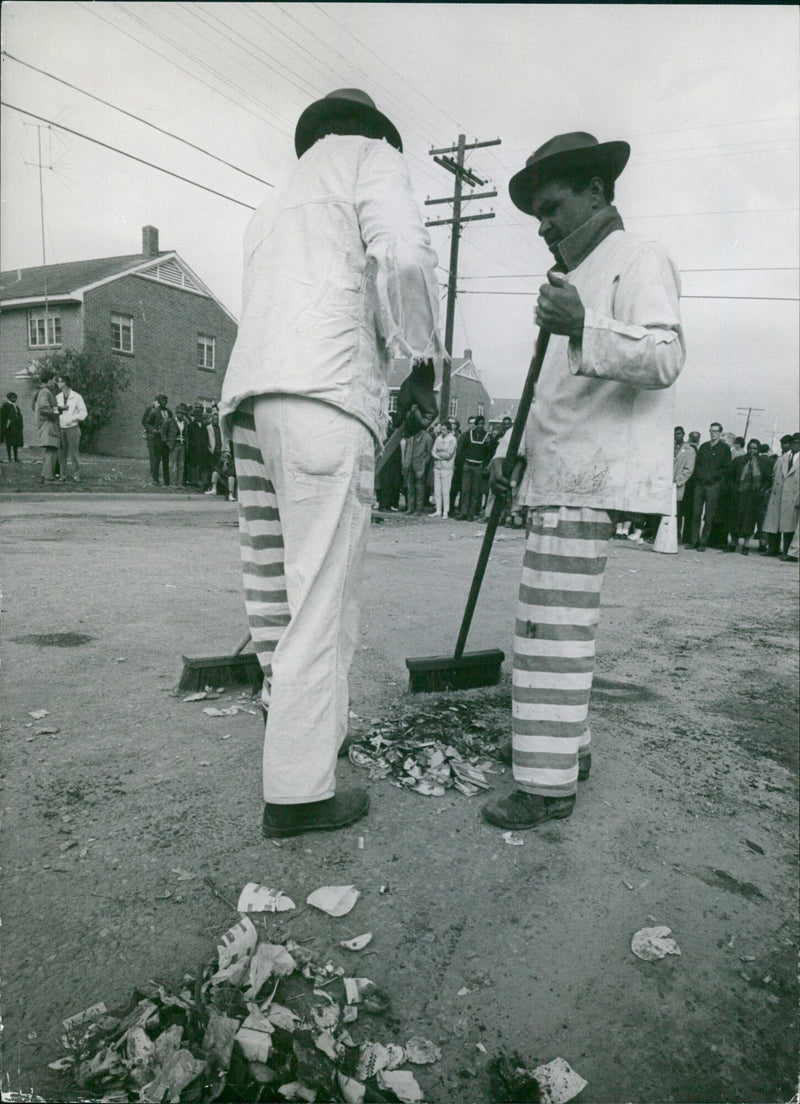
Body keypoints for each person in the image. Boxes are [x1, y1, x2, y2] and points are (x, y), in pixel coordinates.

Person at [219, 88, 441, 838]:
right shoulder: (371, 161)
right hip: (326, 391)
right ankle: (299, 792)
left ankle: (309, 734)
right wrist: (419, 351)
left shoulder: (273, 199)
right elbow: (405, 255)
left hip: (253, 400)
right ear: (373, 132)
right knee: (323, 592)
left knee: (278, 593)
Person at [482, 131, 685, 831]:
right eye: (537, 215)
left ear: (597, 191)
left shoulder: (638, 257)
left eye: (552, 207)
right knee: (550, 627)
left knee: (552, 634)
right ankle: (567, 750)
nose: (543, 226)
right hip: (558, 473)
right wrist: (519, 451)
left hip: (589, 479)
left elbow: (666, 355)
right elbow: (557, 392)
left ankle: (546, 786)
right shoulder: (579, 272)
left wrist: (585, 324)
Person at [725, 439, 772, 554]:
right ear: (747, 448)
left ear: (758, 449)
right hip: (739, 495)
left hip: (754, 497)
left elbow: (768, 479)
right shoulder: (738, 460)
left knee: (749, 520)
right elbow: (730, 477)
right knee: (735, 519)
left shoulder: (763, 463)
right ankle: (734, 542)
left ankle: (746, 544)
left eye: (755, 448)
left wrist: (762, 490)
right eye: (750, 448)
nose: (752, 450)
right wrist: (734, 489)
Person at [690, 422, 731, 550]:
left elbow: (726, 468)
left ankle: (704, 542)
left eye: (715, 431)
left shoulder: (724, 448)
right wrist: (700, 476)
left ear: (720, 433)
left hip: (713, 485)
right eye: (711, 431)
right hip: (700, 484)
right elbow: (697, 464)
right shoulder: (704, 447)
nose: (713, 433)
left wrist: (713, 476)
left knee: (709, 515)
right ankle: (694, 540)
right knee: (696, 512)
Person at [56, 375, 88, 483]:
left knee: (74, 453)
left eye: (60, 382)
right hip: (61, 428)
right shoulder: (58, 397)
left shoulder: (77, 396)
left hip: (72, 428)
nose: (58, 384)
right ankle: (62, 475)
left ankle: (76, 475)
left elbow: (83, 412)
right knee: (61, 453)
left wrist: (73, 419)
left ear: (65, 383)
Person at [458, 414, 489, 520]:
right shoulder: (468, 434)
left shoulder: (486, 436)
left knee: (475, 491)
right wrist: (462, 463)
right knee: (465, 489)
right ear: (475, 424)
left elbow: (489, 452)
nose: (480, 426)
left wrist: (484, 464)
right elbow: (462, 449)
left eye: (482, 424)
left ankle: (471, 513)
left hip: (478, 466)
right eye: (479, 423)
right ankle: (463, 512)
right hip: (468, 465)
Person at [34, 370, 61, 483]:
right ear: (49, 380)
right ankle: (49, 478)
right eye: (54, 380)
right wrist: (58, 410)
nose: (55, 382)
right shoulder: (45, 392)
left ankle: (44, 476)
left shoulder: (41, 391)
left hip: (46, 425)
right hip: (49, 425)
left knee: (49, 452)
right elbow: (44, 409)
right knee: (52, 450)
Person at [143, 394, 173, 485]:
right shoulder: (155, 412)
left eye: (165, 400)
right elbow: (147, 423)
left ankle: (167, 481)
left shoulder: (169, 412)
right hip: (158, 438)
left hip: (166, 439)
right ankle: (155, 479)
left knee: (166, 459)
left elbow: (172, 424)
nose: (164, 402)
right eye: (162, 400)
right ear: (159, 402)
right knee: (156, 459)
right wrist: (153, 430)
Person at [673, 425, 695, 541]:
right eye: (675, 434)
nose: (677, 436)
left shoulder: (689, 450)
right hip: (665, 484)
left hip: (677, 485)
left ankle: (676, 534)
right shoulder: (668, 447)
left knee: (677, 511)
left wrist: (678, 481)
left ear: (683, 434)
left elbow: (688, 469)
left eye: (679, 434)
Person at [431, 421, 457, 517]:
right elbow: (433, 451)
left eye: (444, 429)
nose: (442, 430)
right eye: (441, 428)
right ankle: (438, 510)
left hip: (447, 468)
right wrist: (439, 456)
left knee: (445, 490)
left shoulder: (452, 439)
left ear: (449, 430)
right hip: (437, 467)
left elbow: (449, 454)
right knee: (437, 490)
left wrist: (439, 455)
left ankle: (445, 511)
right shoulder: (438, 439)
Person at [168, 404, 190, 487]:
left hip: (182, 445)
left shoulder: (185, 423)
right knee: (173, 464)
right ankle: (172, 483)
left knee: (181, 465)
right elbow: (164, 431)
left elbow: (186, 434)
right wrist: (168, 442)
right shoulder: (171, 421)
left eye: (183, 413)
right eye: (180, 413)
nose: (181, 415)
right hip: (174, 445)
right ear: (176, 413)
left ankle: (179, 483)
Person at [1, 392, 24, 462]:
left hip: (16, 428)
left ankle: (16, 458)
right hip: (9, 428)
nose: (14, 399)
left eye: (15, 397)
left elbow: (19, 416)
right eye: (13, 397)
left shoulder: (16, 407)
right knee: (9, 443)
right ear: (9, 398)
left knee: (15, 443)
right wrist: (5, 426)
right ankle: (9, 458)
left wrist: (20, 425)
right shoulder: (6, 405)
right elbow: (2, 417)